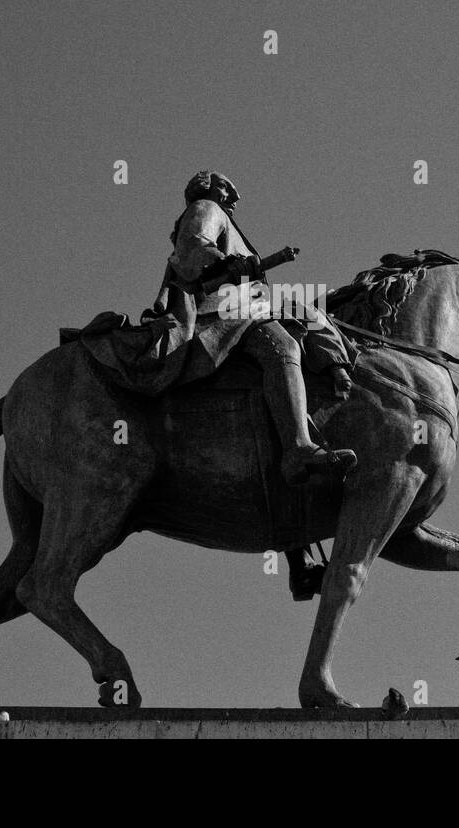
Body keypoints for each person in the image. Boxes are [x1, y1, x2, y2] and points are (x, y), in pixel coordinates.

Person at [152, 171, 355, 599]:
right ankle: (300, 446)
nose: (235, 194)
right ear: (206, 188)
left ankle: (301, 561)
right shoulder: (204, 211)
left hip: (244, 306)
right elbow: (189, 253)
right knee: (281, 347)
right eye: (227, 187)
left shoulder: (223, 216)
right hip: (219, 312)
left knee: (300, 320)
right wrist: (233, 266)